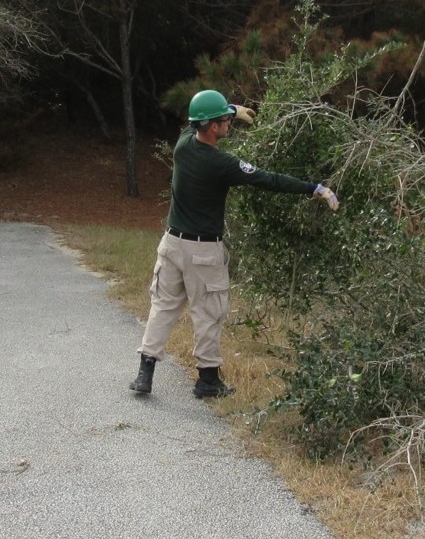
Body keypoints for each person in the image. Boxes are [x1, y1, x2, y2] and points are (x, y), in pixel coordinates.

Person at [130, 89, 339, 399]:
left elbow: (197, 120)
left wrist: (231, 107)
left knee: (162, 306)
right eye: (225, 120)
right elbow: (269, 179)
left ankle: (144, 375)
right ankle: (208, 381)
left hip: (171, 244)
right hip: (203, 251)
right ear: (213, 127)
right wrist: (315, 188)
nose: (230, 122)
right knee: (209, 313)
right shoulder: (222, 164)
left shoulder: (183, 144)